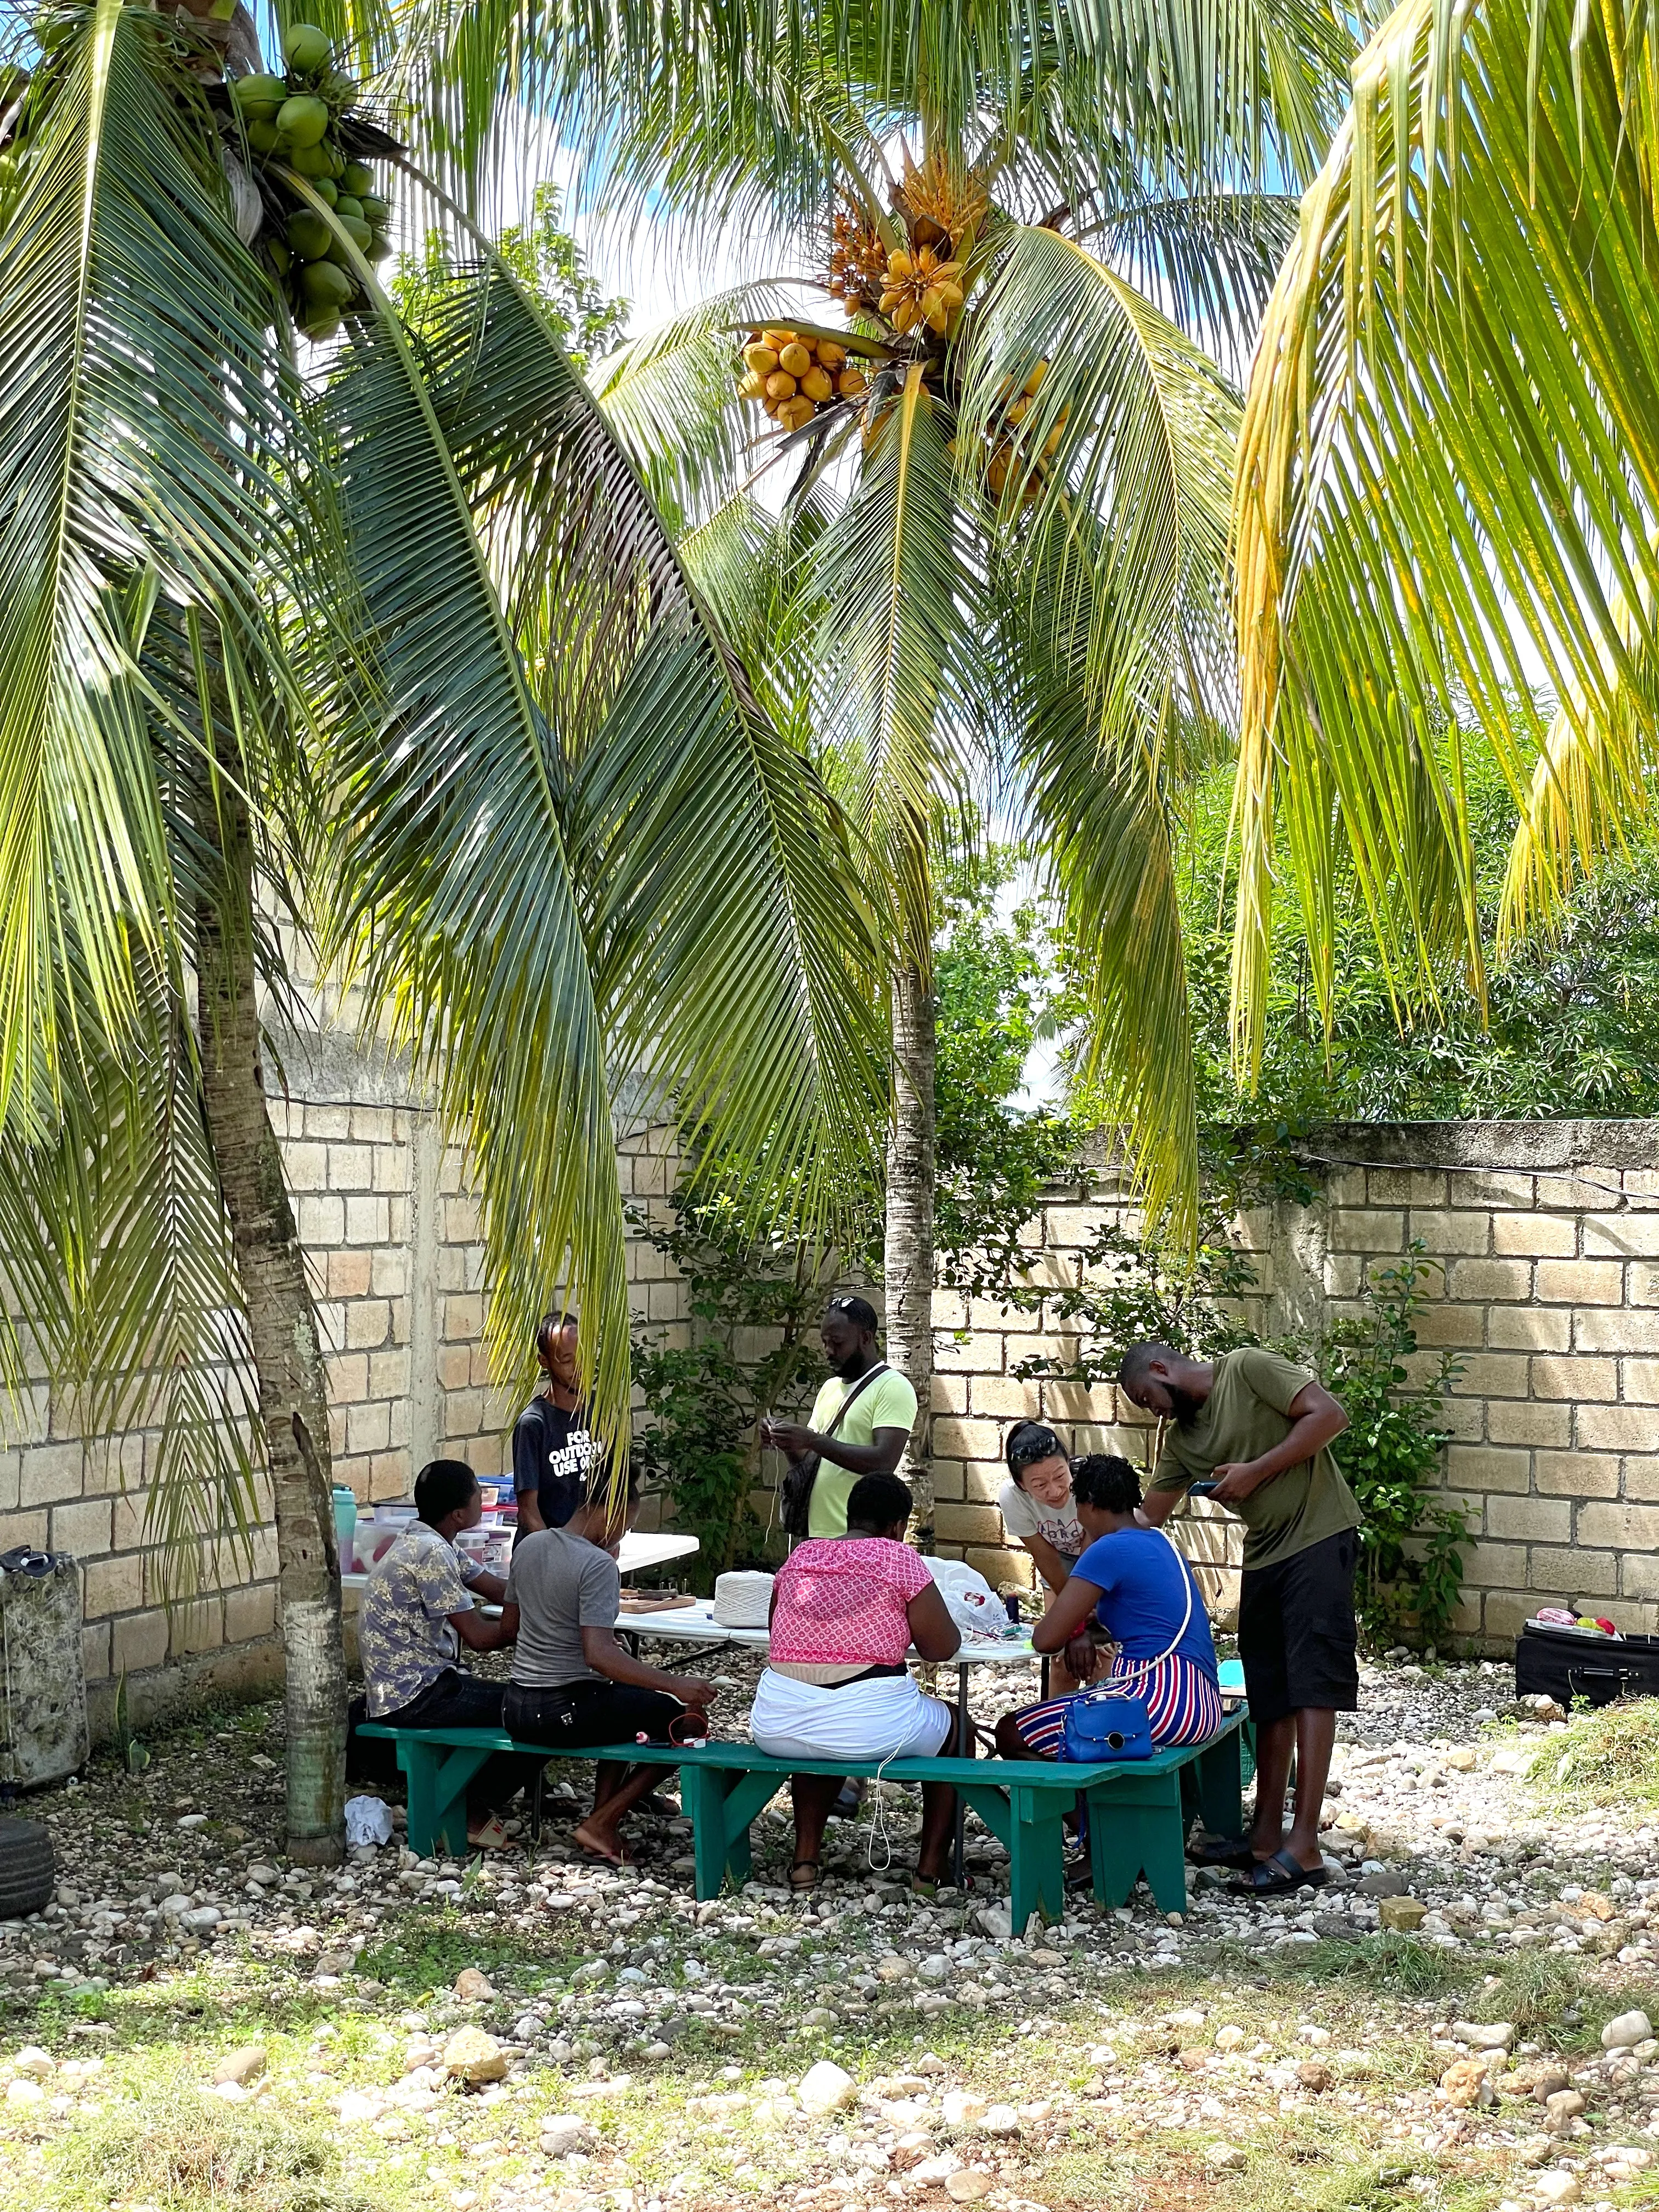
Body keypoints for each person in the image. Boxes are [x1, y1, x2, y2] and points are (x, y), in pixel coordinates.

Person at [1117, 1339, 1356, 1894]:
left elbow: (1329, 1416)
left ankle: (1306, 1845)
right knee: (1269, 1693)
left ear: (1160, 1368)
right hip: (1266, 1553)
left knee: (1312, 1686)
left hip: (1320, 1536)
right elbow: (1148, 1516)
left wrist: (1256, 1471)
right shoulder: (1181, 1443)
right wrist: (1069, 1522)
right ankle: (1266, 1835)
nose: (1150, 1409)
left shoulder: (1246, 1369)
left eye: (1146, 1397)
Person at [750, 1471, 965, 1894]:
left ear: (848, 1518)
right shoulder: (898, 1558)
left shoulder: (802, 1557)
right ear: (899, 1526)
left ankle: (805, 1860)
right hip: (870, 1725)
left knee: (821, 1730)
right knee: (958, 1727)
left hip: (777, 1723)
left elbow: (778, 1629)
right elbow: (942, 1647)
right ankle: (931, 1869)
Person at [503, 1463, 718, 1866]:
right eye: (627, 1526)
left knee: (625, 1707)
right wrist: (677, 1684)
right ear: (613, 1513)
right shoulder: (598, 1564)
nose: (623, 1536)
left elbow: (511, 1627)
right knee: (684, 1726)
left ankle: (602, 1822)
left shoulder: (528, 1547)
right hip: (561, 1710)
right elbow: (598, 1656)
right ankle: (603, 1822)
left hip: (516, 1706)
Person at [355, 1458, 543, 1849]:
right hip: (415, 1695)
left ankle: (471, 1795)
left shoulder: (432, 1539)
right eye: (479, 1494)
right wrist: (539, 1623)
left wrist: (547, 1586)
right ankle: (470, 1804)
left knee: (528, 1704)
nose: (483, 1500)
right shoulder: (430, 1554)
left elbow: (500, 1589)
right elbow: (480, 1637)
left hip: (420, 1684)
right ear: (460, 1514)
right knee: (539, 1713)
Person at [995, 1454, 1221, 1765]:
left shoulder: (1107, 1548)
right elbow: (1143, 1619)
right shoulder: (1161, 1542)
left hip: (1159, 1703)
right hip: (1203, 1703)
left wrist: (1074, 1626)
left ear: (1088, 1504)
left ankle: (1084, 1813)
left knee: (1011, 1731)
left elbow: (1045, 1641)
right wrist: (1089, 1626)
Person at [760, 1294, 919, 1539]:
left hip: (855, 1539)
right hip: (813, 1533)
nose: (828, 1351)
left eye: (837, 1342)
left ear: (866, 1338)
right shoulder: (830, 1388)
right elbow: (809, 1464)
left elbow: (883, 1462)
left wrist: (812, 1440)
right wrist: (787, 1440)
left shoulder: (893, 1386)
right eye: (824, 1342)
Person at [512, 1312, 601, 1541]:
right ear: (545, 1361)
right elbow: (529, 1512)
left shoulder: (604, 1412)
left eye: (584, 1356)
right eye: (567, 1360)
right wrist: (559, 1556)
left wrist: (610, 1539)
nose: (580, 1367)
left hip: (591, 1552)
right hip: (548, 1557)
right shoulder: (534, 1424)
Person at [999, 1421, 1086, 1596]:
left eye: (1060, 1476)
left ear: (1068, 1463)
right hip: (1060, 1558)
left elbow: (1098, 1541)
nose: (1055, 1491)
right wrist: (1069, 1600)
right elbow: (1045, 1556)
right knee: (1063, 1621)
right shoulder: (1013, 1496)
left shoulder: (1089, 1478)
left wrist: (1082, 1600)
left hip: (1102, 1552)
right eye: (1040, 1485)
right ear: (1021, 1484)